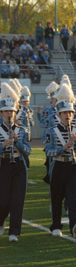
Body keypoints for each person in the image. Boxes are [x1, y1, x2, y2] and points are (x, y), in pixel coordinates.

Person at [45, 84, 76, 238]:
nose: (68, 116)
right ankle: (56, 226)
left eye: (70, 112)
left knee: (73, 197)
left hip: (73, 165)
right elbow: (48, 150)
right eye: (64, 113)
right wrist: (61, 149)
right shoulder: (51, 130)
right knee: (56, 197)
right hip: (58, 164)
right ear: (59, 114)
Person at [0, 83, 31, 243]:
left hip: (19, 165)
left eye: (11, 111)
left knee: (18, 200)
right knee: (3, 199)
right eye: (5, 111)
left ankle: (14, 232)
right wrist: (2, 146)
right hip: (3, 165)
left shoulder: (21, 129)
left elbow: (28, 150)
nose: (8, 114)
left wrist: (17, 142)